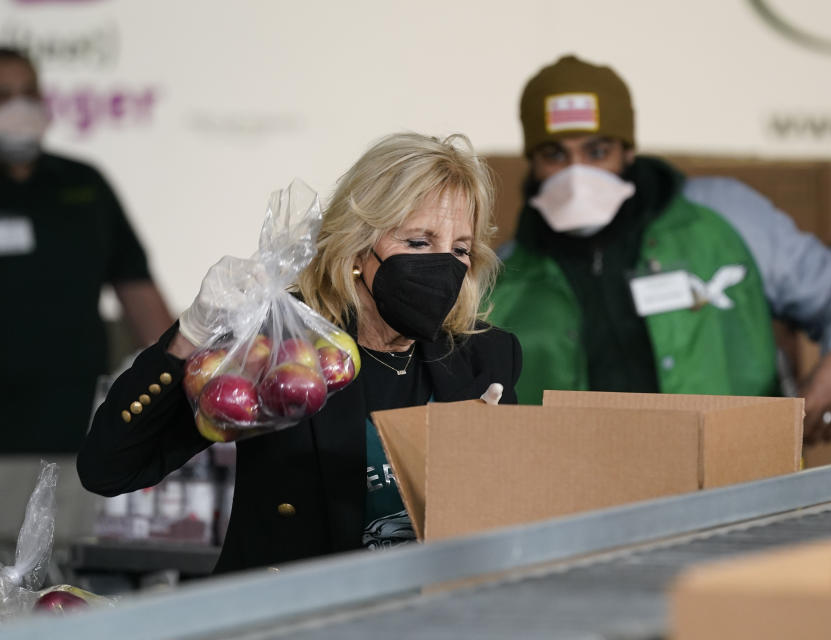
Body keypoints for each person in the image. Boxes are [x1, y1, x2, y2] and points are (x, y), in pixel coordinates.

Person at [78, 132, 522, 572]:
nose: (443, 265)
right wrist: (190, 335)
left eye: (460, 249)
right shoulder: (280, 348)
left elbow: (510, 523)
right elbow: (110, 469)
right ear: (358, 249)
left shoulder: (483, 358)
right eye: (418, 242)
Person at [488, 55, 831, 445]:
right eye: (555, 155)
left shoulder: (725, 218)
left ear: (628, 150)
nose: (578, 175)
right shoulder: (503, 279)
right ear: (532, 162)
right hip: (579, 501)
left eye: (597, 151)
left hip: (737, 488)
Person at [0, 48, 173, 453]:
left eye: (28, 92)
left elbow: (138, 290)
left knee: (74, 516)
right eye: (3, 96)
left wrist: (179, 375)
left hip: (77, 419)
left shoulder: (85, 184)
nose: (19, 107)